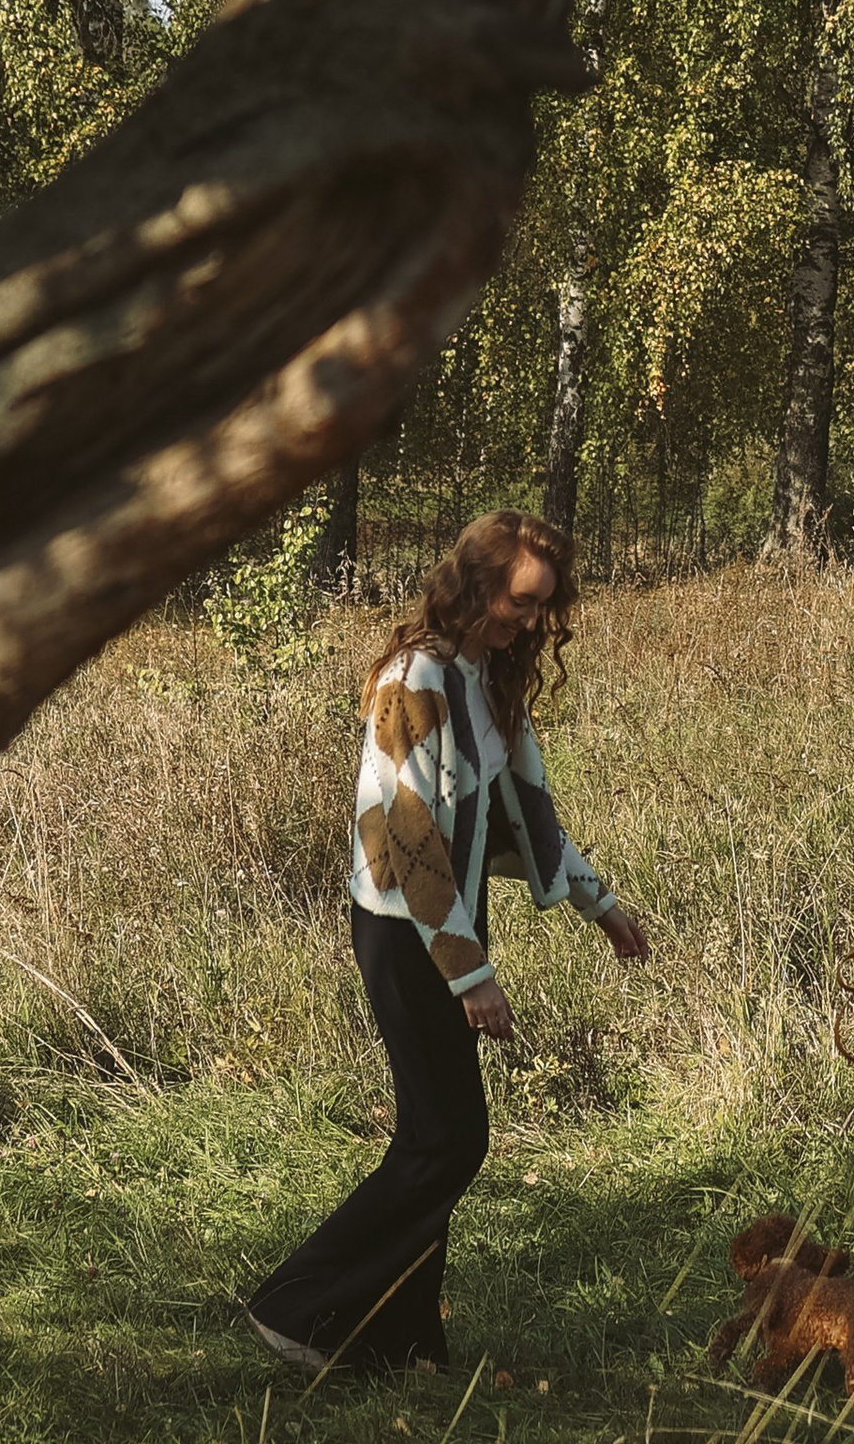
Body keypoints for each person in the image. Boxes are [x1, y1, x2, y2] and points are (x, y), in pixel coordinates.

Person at [245, 511, 652, 1377]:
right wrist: (471, 975)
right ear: (475, 583)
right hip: (403, 933)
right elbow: (405, 837)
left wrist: (601, 905)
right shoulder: (415, 678)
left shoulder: (482, 678)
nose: (531, 622)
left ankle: (400, 1339)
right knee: (445, 1140)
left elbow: (527, 818)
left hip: (446, 928)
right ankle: (297, 1308)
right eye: (519, 600)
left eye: (543, 606)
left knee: (442, 1136)